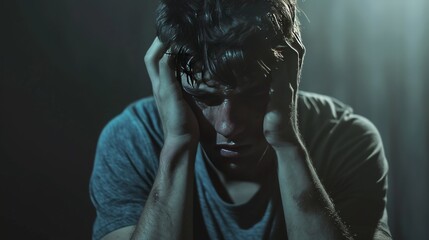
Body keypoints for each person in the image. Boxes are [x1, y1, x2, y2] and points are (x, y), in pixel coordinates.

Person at [89, 0, 392, 239]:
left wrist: (287, 145)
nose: (228, 126)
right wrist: (178, 146)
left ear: (289, 74)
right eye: (206, 99)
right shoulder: (131, 141)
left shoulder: (346, 139)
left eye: (254, 95)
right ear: (170, 81)